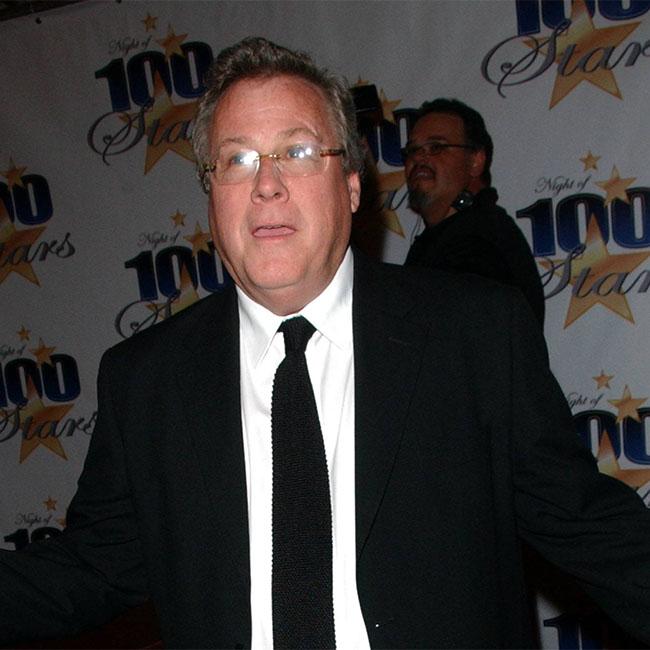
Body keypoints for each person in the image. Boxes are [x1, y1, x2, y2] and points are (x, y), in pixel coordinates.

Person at [2, 36, 650, 650]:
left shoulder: (472, 334)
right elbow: (92, 567)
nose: (266, 183)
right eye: (237, 159)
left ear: (352, 186)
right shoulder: (147, 380)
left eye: (298, 151)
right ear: (211, 197)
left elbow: (591, 528)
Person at [403, 98, 546, 327]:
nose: (419, 158)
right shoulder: (451, 236)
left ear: (476, 161)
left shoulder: (480, 239)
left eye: (436, 147)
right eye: (412, 150)